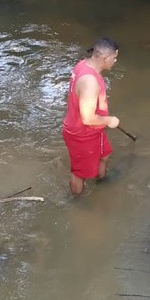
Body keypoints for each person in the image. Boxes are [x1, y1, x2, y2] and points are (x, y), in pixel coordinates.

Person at [62, 38, 121, 195]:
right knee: (80, 173)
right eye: (114, 58)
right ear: (105, 58)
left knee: (105, 154)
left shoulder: (84, 64)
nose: (115, 61)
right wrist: (109, 120)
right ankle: (76, 201)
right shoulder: (90, 82)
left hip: (95, 130)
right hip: (82, 134)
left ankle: (101, 181)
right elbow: (87, 118)